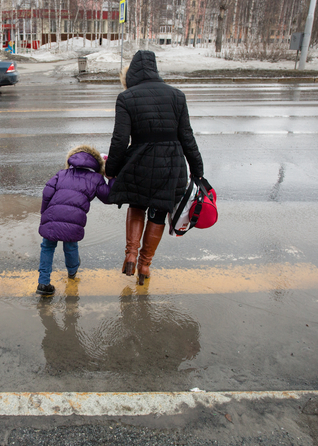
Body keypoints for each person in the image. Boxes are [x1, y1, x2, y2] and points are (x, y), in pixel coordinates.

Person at [105, 50, 205, 285]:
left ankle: (130, 254)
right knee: (159, 212)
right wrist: (197, 169)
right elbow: (187, 136)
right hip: (171, 164)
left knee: (137, 204)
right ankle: (145, 266)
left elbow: (120, 139)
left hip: (139, 160)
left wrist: (112, 168)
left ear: (133, 72)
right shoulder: (177, 96)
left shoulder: (127, 97)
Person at [37, 145, 114, 296]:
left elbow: (47, 192)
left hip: (51, 214)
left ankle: (43, 283)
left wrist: (44, 214)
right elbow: (108, 198)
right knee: (70, 246)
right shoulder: (96, 178)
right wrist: (111, 179)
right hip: (75, 219)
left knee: (47, 247)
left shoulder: (62, 173)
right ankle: (72, 273)